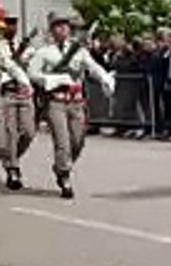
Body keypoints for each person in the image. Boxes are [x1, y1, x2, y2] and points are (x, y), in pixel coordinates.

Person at [27, 13, 115, 199]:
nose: (63, 29)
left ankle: (62, 165)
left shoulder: (79, 50)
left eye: (65, 25)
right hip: (56, 101)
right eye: (58, 25)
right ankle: (64, 174)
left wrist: (105, 78)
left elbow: (92, 67)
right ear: (52, 30)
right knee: (62, 141)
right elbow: (32, 73)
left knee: (78, 141)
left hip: (76, 101)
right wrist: (52, 80)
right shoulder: (44, 52)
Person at [0, 15, 37, 189]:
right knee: (10, 132)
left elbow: (31, 66)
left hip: (24, 93)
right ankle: (12, 168)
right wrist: (19, 54)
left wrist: (25, 52)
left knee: (28, 132)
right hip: (7, 93)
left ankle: (11, 157)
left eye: (14, 24)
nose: (12, 27)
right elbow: (7, 66)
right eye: (8, 24)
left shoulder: (27, 47)